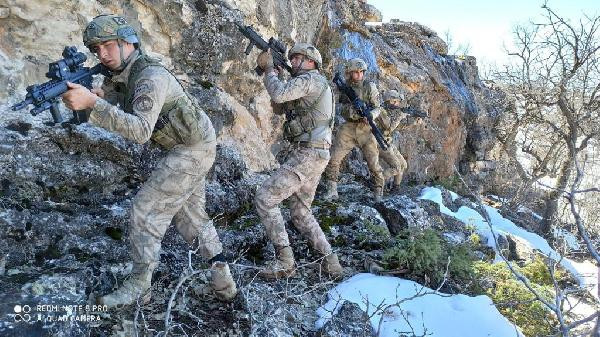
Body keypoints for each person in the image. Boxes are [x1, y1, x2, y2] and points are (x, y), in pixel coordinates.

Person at [61, 14, 237, 307]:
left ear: (127, 41)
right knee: (191, 219)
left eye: (107, 45)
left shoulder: (149, 77)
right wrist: (102, 96)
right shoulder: (128, 74)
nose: (101, 54)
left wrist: (94, 105)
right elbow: (122, 96)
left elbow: (141, 131)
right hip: (193, 145)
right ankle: (225, 285)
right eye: (96, 49)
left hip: (191, 150)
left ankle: (140, 287)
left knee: (144, 210)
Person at [253, 43, 343, 279]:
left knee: (265, 198)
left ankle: (285, 262)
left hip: (308, 155)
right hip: (315, 154)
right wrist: (277, 75)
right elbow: (280, 106)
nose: (293, 62)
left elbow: (279, 93)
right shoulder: (313, 84)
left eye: (298, 59)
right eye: (292, 59)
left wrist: (271, 71)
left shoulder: (311, 79)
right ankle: (330, 262)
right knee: (300, 212)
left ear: (311, 62)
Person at [322, 58, 385, 202]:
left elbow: (378, 107)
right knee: (333, 158)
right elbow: (335, 105)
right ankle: (332, 189)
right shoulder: (344, 87)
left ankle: (378, 192)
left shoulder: (370, 87)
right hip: (348, 127)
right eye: (355, 72)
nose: (358, 75)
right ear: (350, 73)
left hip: (366, 128)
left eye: (360, 72)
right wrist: (350, 111)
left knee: (373, 163)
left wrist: (370, 115)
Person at [376, 89, 413, 192]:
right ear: (390, 101)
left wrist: (414, 122)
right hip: (379, 142)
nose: (398, 103)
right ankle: (376, 181)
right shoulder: (381, 111)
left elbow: (399, 127)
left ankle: (396, 187)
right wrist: (401, 115)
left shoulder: (390, 111)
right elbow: (389, 127)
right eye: (396, 101)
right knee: (397, 167)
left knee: (403, 164)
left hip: (387, 142)